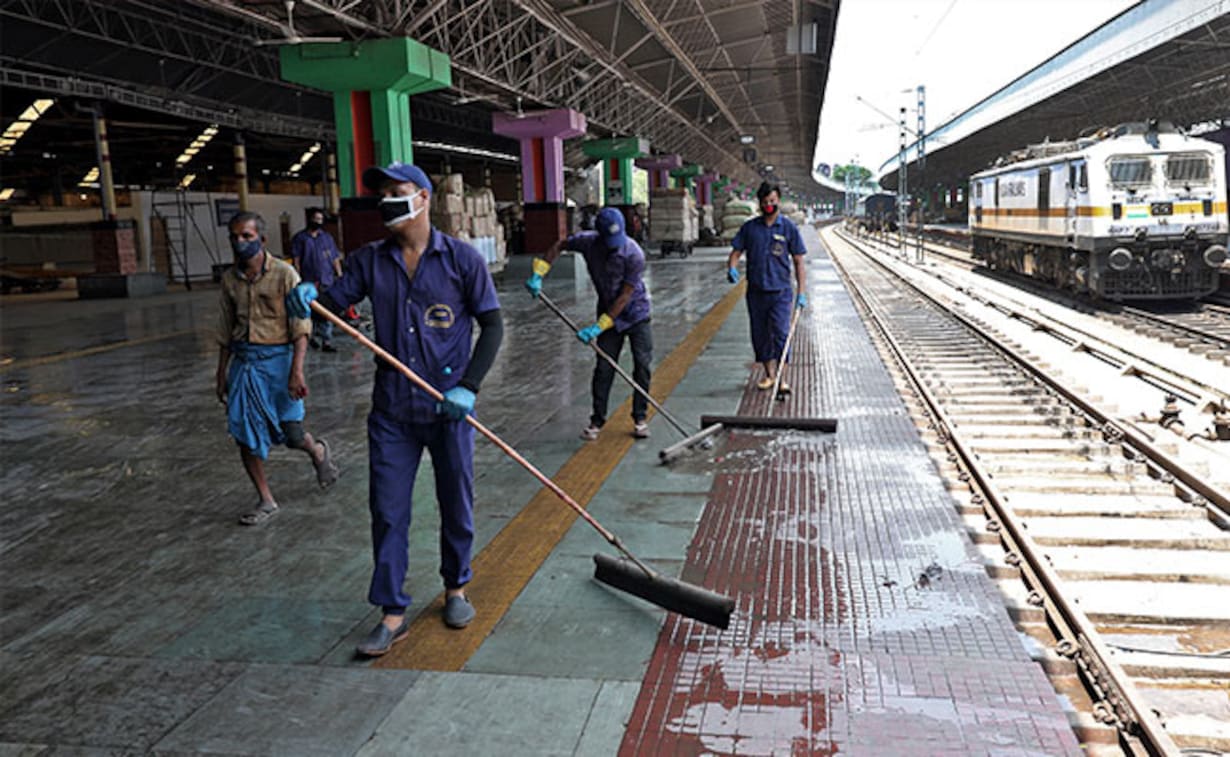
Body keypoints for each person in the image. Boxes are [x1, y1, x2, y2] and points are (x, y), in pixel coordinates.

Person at [286, 162, 503, 656]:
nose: (387, 201)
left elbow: (492, 327)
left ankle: (456, 588)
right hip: (392, 413)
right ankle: (392, 612)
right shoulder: (369, 261)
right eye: (382, 194)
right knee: (387, 510)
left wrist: (469, 386)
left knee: (456, 501)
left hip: (448, 408)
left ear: (423, 198)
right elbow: (335, 300)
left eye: (397, 192)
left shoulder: (461, 260)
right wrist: (309, 294)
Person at [215, 211, 339, 526]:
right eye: (235, 236)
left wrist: (297, 371)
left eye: (246, 236)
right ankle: (266, 499)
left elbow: (301, 327)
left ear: (262, 239)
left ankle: (317, 450)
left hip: (279, 364)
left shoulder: (285, 275)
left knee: (292, 434)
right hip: (245, 365)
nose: (239, 242)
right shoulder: (229, 280)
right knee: (244, 433)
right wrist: (221, 373)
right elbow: (225, 329)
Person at [526, 206, 653, 441]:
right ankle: (597, 420)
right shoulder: (588, 242)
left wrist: (599, 326)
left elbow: (625, 296)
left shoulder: (634, 254)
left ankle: (640, 418)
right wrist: (539, 272)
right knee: (604, 368)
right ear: (599, 235)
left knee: (642, 366)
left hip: (636, 314)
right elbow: (558, 245)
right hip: (607, 307)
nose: (613, 245)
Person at [726, 182, 807, 393]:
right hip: (756, 292)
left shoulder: (788, 228)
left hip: (781, 293)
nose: (769, 205)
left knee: (781, 334)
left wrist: (802, 292)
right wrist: (732, 268)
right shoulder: (750, 228)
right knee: (760, 336)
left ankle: (783, 379)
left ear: (778, 200)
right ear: (760, 203)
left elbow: (798, 261)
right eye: (765, 202)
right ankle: (769, 375)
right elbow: (736, 252)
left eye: (772, 201)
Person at [290, 207, 344, 352]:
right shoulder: (300, 238)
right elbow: (297, 259)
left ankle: (326, 341)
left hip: (326, 279)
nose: (318, 222)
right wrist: (297, 278)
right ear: (310, 220)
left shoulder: (327, 238)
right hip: (308, 281)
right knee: (310, 311)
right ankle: (312, 336)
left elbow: (334, 258)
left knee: (327, 311)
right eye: (316, 219)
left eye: (320, 220)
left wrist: (339, 274)